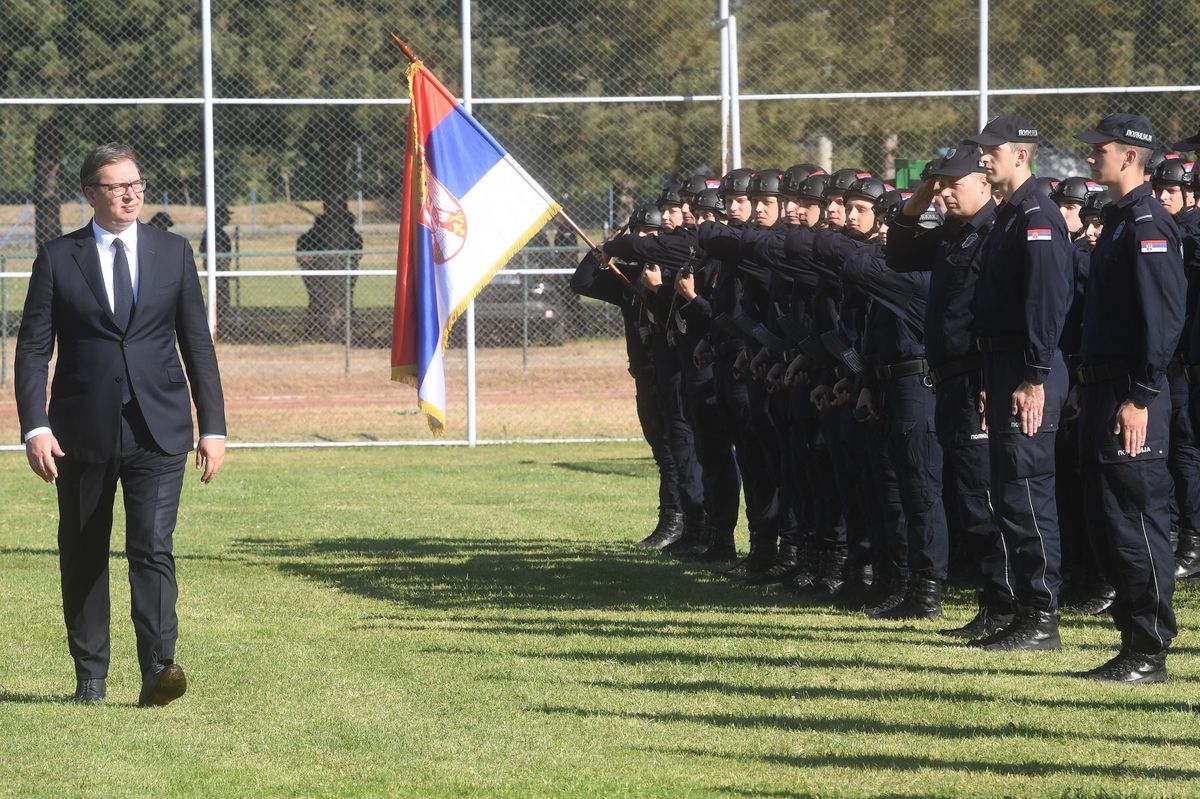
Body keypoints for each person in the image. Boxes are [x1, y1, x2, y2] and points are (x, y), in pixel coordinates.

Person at [15, 142, 226, 706]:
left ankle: (159, 669)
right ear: (91, 194)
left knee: (152, 546)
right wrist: (35, 427)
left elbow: (196, 345)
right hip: (80, 433)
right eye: (116, 186)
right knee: (83, 548)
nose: (131, 193)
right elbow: (33, 352)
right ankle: (90, 677)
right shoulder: (59, 258)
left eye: (135, 183)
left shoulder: (173, 253)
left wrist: (214, 427)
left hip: (159, 430)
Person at [1072, 113, 1185, 683]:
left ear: (1130, 157)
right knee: (1109, 520)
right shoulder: (1119, 220)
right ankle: (1131, 640)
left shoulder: (1147, 223)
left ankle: (1150, 647)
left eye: (1101, 151)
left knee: (1136, 517)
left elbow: (1163, 319)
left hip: (1133, 391)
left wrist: (1141, 393)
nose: (1091, 159)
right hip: (1103, 388)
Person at [966, 115, 1072, 651]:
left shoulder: (1037, 215)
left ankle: (1042, 618)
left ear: (1021, 156)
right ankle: (1024, 610)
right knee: (1009, 494)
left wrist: (1033, 377)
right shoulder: (1011, 215)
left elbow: (1047, 304)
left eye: (993, 150)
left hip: (1031, 369)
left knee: (1028, 494)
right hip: (1006, 367)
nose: (984, 158)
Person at [298, 208, 364, 341]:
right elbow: (302, 258)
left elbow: (357, 256)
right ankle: (313, 329)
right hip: (314, 276)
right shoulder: (307, 238)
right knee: (317, 299)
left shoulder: (354, 237)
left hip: (346, 273)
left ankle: (346, 328)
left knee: (345, 298)